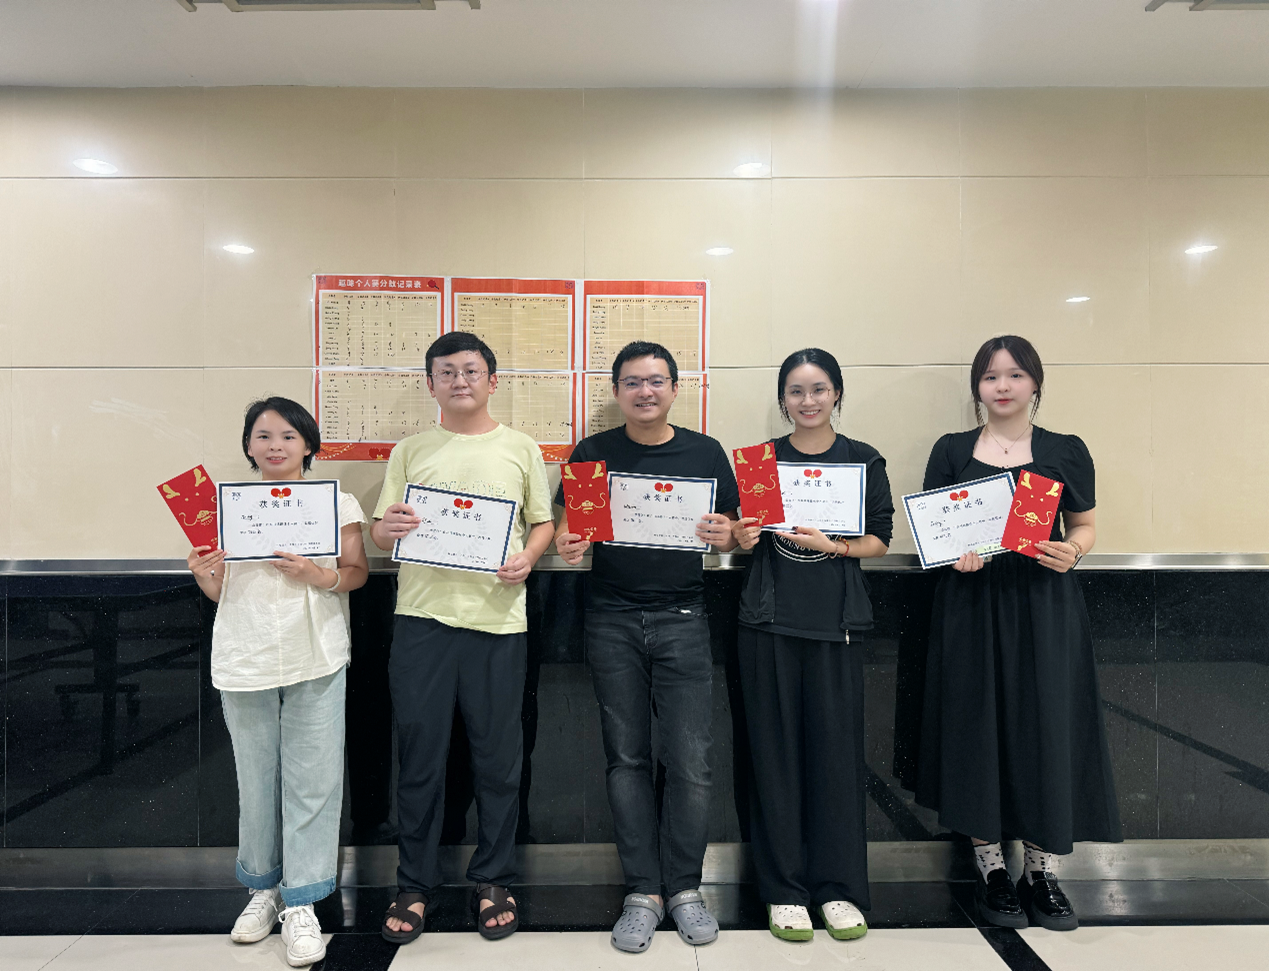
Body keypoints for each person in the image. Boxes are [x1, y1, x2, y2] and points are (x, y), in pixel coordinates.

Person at [915, 335, 1122, 931]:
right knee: (975, 727)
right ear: (976, 388)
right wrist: (955, 553)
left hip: (1042, 605)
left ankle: (1041, 869)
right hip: (971, 607)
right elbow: (936, 528)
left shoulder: (1064, 450)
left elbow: (1083, 525)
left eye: (1014, 375)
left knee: (1044, 726)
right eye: (989, 377)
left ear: (1035, 383)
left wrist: (1072, 551)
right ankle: (989, 866)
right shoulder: (952, 449)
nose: (1001, 386)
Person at [555, 341, 740, 953]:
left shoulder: (705, 452)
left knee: (691, 760)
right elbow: (568, 528)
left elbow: (737, 529)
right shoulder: (594, 453)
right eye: (632, 382)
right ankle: (643, 891)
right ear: (616, 392)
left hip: (684, 616)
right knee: (626, 758)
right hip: (610, 618)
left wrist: (726, 533)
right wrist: (569, 541)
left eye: (657, 381)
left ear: (675, 388)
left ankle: (685, 887)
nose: (645, 391)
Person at [371, 331, 555, 945]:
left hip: (498, 622)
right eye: (445, 372)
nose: (459, 380)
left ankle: (493, 879)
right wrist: (386, 528)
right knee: (420, 756)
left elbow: (543, 521)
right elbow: (381, 532)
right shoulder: (410, 450)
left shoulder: (521, 447)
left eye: (470, 370)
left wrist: (528, 557)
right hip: (422, 621)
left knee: (498, 759)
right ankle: (414, 884)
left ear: (492, 380)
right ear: (431, 385)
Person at [187, 396, 369, 968]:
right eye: (263, 436)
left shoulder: (338, 502)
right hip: (246, 654)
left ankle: (304, 901)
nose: (275, 446)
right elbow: (224, 593)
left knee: (313, 781)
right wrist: (204, 575)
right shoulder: (225, 506)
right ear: (248, 445)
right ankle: (261, 890)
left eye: (289, 436)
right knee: (255, 777)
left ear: (309, 446)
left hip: (316, 653)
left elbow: (357, 574)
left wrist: (318, 574)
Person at [729, 348, 893, 943]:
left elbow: (881, 537)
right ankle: (784, 892)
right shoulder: (760, 462)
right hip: (768, 625)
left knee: (836, 761)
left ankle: (840, 890)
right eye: (795, 392)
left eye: (819, 389)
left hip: (837, 626)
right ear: (782, 401)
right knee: (773, 761)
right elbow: (741, 537)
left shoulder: (863, 460)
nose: (808, 401)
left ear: (838, 395)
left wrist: (838, 546)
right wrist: (744, 534)